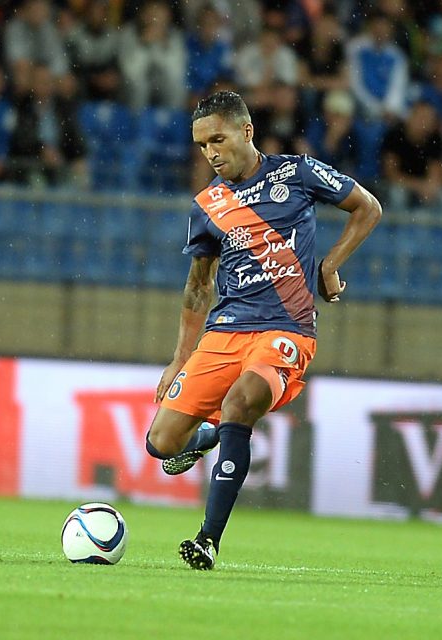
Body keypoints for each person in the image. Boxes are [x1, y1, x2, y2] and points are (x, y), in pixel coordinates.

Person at [144, 91, 383, 571]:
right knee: (161, 443)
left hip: (286, 330)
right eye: (201, 145)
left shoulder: (297, 173)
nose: (210, 153)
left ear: (247, 132)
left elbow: (368, 208)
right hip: (225, 331)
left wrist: (329, 265)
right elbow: (197, 287)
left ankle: (207, 540)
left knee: (240, 404)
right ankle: (208, 436)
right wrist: (179, 357)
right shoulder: (207, 205)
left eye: (218, 139)